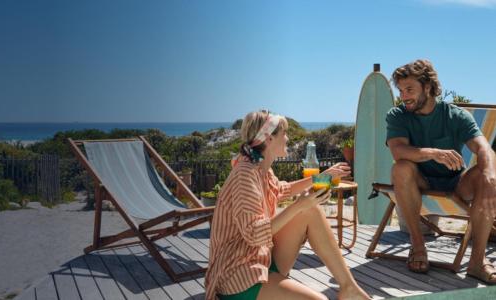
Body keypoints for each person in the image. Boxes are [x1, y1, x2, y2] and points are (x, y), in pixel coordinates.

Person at [204, 110, 370, 300]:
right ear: (268, 139)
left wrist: (323, 177)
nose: (288, 138)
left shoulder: (261, 168)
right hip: (237, 276)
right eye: (284, 133)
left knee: (310, 211)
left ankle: (348, 287)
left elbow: (282, 190)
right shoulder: (245, 175)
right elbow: (255, 235)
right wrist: (298, 204)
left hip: (261, 259)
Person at [387, 59, 496, 283]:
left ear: (427, 87)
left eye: (409, 89)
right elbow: (398, 150)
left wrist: (490, 177)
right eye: (401, 90)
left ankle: (477, 262)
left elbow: (483, 147)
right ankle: (418, 247)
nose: (404, 96)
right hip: (421, 181)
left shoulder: (455, 116)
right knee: (401, 168)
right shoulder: (398, 115)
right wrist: (433, 153)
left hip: (457, 183)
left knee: (488, 172)